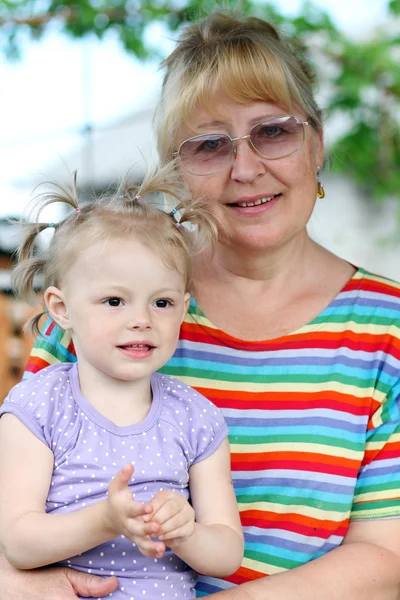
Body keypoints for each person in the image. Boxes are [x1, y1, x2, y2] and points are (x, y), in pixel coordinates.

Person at [1, 9, 400, 600]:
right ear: (176, 172)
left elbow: (385, 557)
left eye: (273, 131)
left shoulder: (386, 331)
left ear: (315, 144)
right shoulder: (105, 304)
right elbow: (16, 502)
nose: (245, 169)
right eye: (209, 145)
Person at [0, 169, 244, 600]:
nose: (142, 319)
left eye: (162, 302)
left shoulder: (195, 416)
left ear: (183, 308)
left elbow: (226, 554)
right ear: (61, 308)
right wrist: (107, 520)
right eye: (114, 301)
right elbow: (18, 542)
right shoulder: (39, 405)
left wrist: (186, 530)